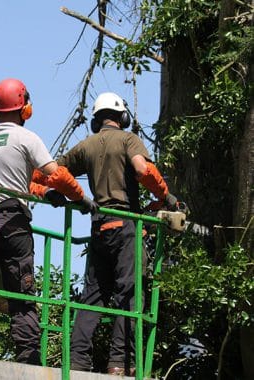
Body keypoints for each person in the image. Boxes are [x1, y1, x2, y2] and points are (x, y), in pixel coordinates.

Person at [0, 78, 96, 365]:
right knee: (22, 297)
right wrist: (81, 199)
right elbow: (55, 173)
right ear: (25, 109)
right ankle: (28, 362)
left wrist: (43, 193)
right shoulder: (26, 138)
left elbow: (7, 181)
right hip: (11, 225)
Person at [57, 92, 181, 375]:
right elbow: (141, 169)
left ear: (96, 119)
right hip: (126, 226)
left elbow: (55, 171)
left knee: (93, 297)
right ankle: (119, 363)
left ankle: (76, 362)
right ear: (122, 117)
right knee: (129, 294)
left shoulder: (86, 145)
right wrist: (165, 195)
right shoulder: (128, 139)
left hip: (99, 226)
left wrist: (59, 194)